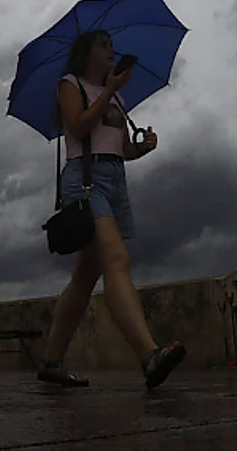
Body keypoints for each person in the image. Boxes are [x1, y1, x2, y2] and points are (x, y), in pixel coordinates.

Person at [37, 29, 187, 389]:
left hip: (114, 179)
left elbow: (121, 149)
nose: (111, 51)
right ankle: (149, 355)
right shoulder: (69, 84)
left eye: (112, 45)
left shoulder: (116, 97)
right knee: (116, 259)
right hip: (85, 180)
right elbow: (77, 126)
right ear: (86, 52)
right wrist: (107, 90)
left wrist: (144, 147)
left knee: (85, 277)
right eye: (104, 45)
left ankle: (51, 363)